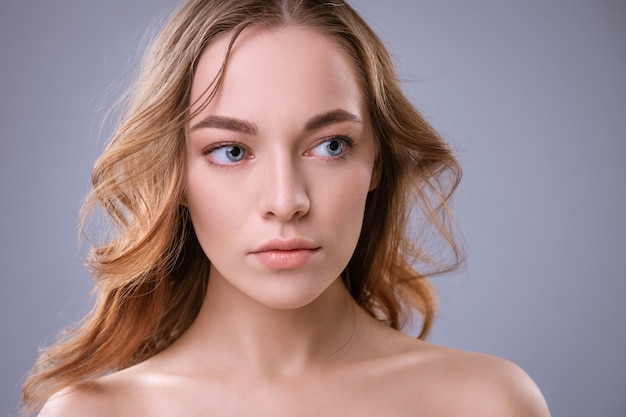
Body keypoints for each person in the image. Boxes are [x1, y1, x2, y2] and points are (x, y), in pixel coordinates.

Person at [22, 0, 550, 416]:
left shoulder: (488, 403)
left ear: (377, 164)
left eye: (330, 146)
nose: (286, 202)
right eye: (231, 151)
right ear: (175, 175)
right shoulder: (97, 415)